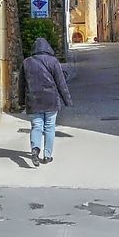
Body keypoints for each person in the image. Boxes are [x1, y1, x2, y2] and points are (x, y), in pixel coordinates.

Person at [23, 37, 72, 167]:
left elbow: (21, 84)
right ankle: (47, 155)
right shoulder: (53, 61)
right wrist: (67, 100)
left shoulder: (26, 62)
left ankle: (35, 150)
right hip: (50, 100)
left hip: (33, 100)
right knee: (50, 127)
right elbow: (61, 83)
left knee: (36, 126)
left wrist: (21, 100)